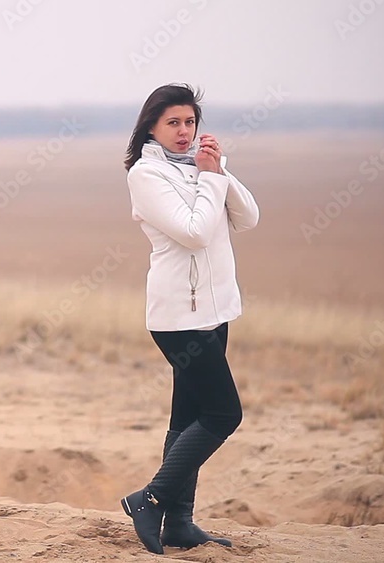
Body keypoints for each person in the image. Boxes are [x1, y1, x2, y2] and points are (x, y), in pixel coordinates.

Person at [119, 83, 260, 554]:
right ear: (152, 127)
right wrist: (210, 178)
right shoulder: (147, 175)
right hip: (179, 317)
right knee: (223, 413)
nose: (184, 131)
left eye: (190, 122)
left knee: (189, 416)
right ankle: (149, 499)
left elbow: (248, 217)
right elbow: (195, 232)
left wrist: (217, 170)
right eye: (173, 123)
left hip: (215, 313)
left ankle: (178, 523)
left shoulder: (200, 168)